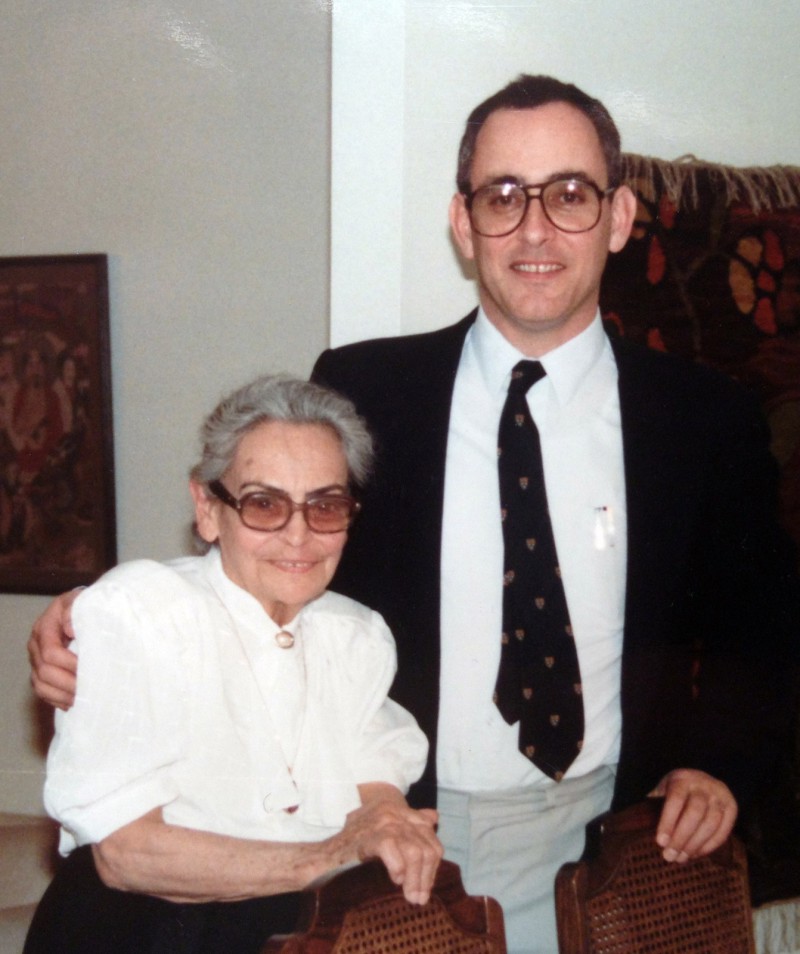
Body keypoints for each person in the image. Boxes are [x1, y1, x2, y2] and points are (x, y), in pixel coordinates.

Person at [29, 76, 800, 953]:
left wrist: (716, 766)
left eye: (571, 194)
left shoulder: (704, 418)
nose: (535, 227)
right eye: (502, 196)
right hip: (386, 835)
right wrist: (100, 627)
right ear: (462, 222)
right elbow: (277, 563)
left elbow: (763, 627)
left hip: (608, 845)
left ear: (620, 218)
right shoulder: (368, 389)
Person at [24, 374, 442, 954]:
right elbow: (125, 854)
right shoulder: (141, 615)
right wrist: (328, 854)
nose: (298, 536)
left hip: (292, 932)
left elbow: (374, 767)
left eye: (325, 505)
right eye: (264, 504)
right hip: (141, 934)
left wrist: (388, 819)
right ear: (207, 508)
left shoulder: (356, 636)